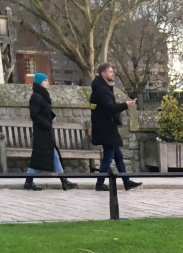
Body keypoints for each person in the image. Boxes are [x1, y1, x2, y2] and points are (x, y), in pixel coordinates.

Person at [89, 63, 141, 191]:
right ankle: (99, 184)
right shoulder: (102, 90)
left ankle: (126, 182)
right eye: (110, 72)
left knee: (118, 156)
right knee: (108, 157)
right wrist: (126, 104)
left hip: (107, 127)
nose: (113, 74)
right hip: (106, 129)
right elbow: (110, 108)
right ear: (103, 74)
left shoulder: (103, 88)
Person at [23, 73, 78, 192]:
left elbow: (43, 111)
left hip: (45, 131)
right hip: (41, 132)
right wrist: (47, 124)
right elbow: (35, 115)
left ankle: (62, 181)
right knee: (44, 155)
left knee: (50, 155)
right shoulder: (36, 96)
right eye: (45, 81)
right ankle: (63, 181)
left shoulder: (42, 95)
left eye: (47, 80)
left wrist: (50, 117)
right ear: (39, 83)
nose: (47, 82)